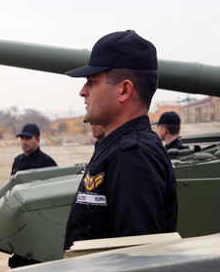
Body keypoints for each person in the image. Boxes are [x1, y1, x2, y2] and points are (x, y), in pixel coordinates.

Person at [63, 30, 178, 251]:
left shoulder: (134, 157)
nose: (82, 91)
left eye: (92, 82)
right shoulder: (118, 149)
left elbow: (138, 263)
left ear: (124, 90)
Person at [8, 122, 57, 268]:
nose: (24, 142)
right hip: (21, 220)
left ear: (38, 140)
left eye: (28, 138)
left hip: (40, 222)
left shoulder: (47, 163)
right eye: (22, 138)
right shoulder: (18, 161)